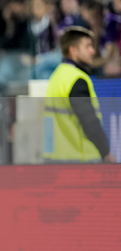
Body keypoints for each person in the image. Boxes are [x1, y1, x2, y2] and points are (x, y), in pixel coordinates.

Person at [44, 26, 115, 163]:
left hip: (55, 160)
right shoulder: (77, 80)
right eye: (88, 46)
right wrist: (106, 152)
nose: (93, 51)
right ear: (73, 51)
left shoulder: (56, 77)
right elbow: (89, 122)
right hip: (79, 161)